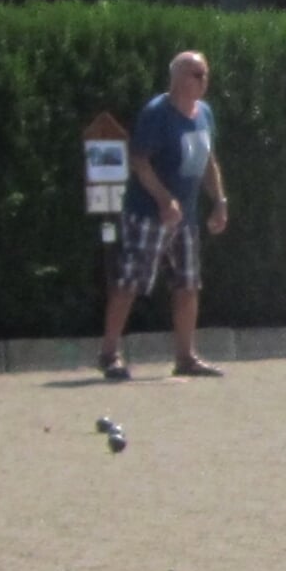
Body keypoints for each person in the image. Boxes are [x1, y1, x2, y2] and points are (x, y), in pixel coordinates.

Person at [97, 50, 230, 380]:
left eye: (205, 74)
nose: (203, 81)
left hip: (186, 219)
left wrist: (219, 201)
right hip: (147, 215)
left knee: (187, 284)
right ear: (177, 78)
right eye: (195, 74)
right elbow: (139, 161)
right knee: (129, 281)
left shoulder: (205, 114)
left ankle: (186, 357)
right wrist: (163, 200)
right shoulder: (157, 114)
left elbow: (208, 160)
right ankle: (109, 354)